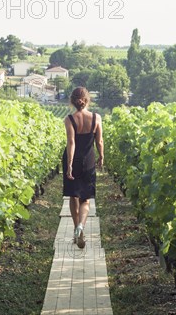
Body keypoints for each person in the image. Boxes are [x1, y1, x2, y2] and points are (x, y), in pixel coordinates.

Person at [62, 87, 104, 249]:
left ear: (72, 101)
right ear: (87, 100)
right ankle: (81, 226)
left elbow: (71, 143)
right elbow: (99, 142)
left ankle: (76, 229)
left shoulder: (69, 119)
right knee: (85, 199)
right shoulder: (96, 118)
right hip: (88, 161)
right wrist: (101, 156)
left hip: (73, 160)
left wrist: (70, 164)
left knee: (73, 196)